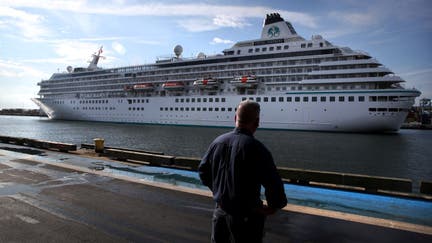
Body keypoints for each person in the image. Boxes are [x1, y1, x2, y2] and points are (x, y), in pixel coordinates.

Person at [198, 100, 287, 243]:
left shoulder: (217, 142)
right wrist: (274, 206)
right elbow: (272, 182)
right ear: (257, 122)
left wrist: (218, 192)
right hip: (247, 215)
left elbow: (203, 172)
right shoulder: (257, 148)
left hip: (220, 212)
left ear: (235, 118)